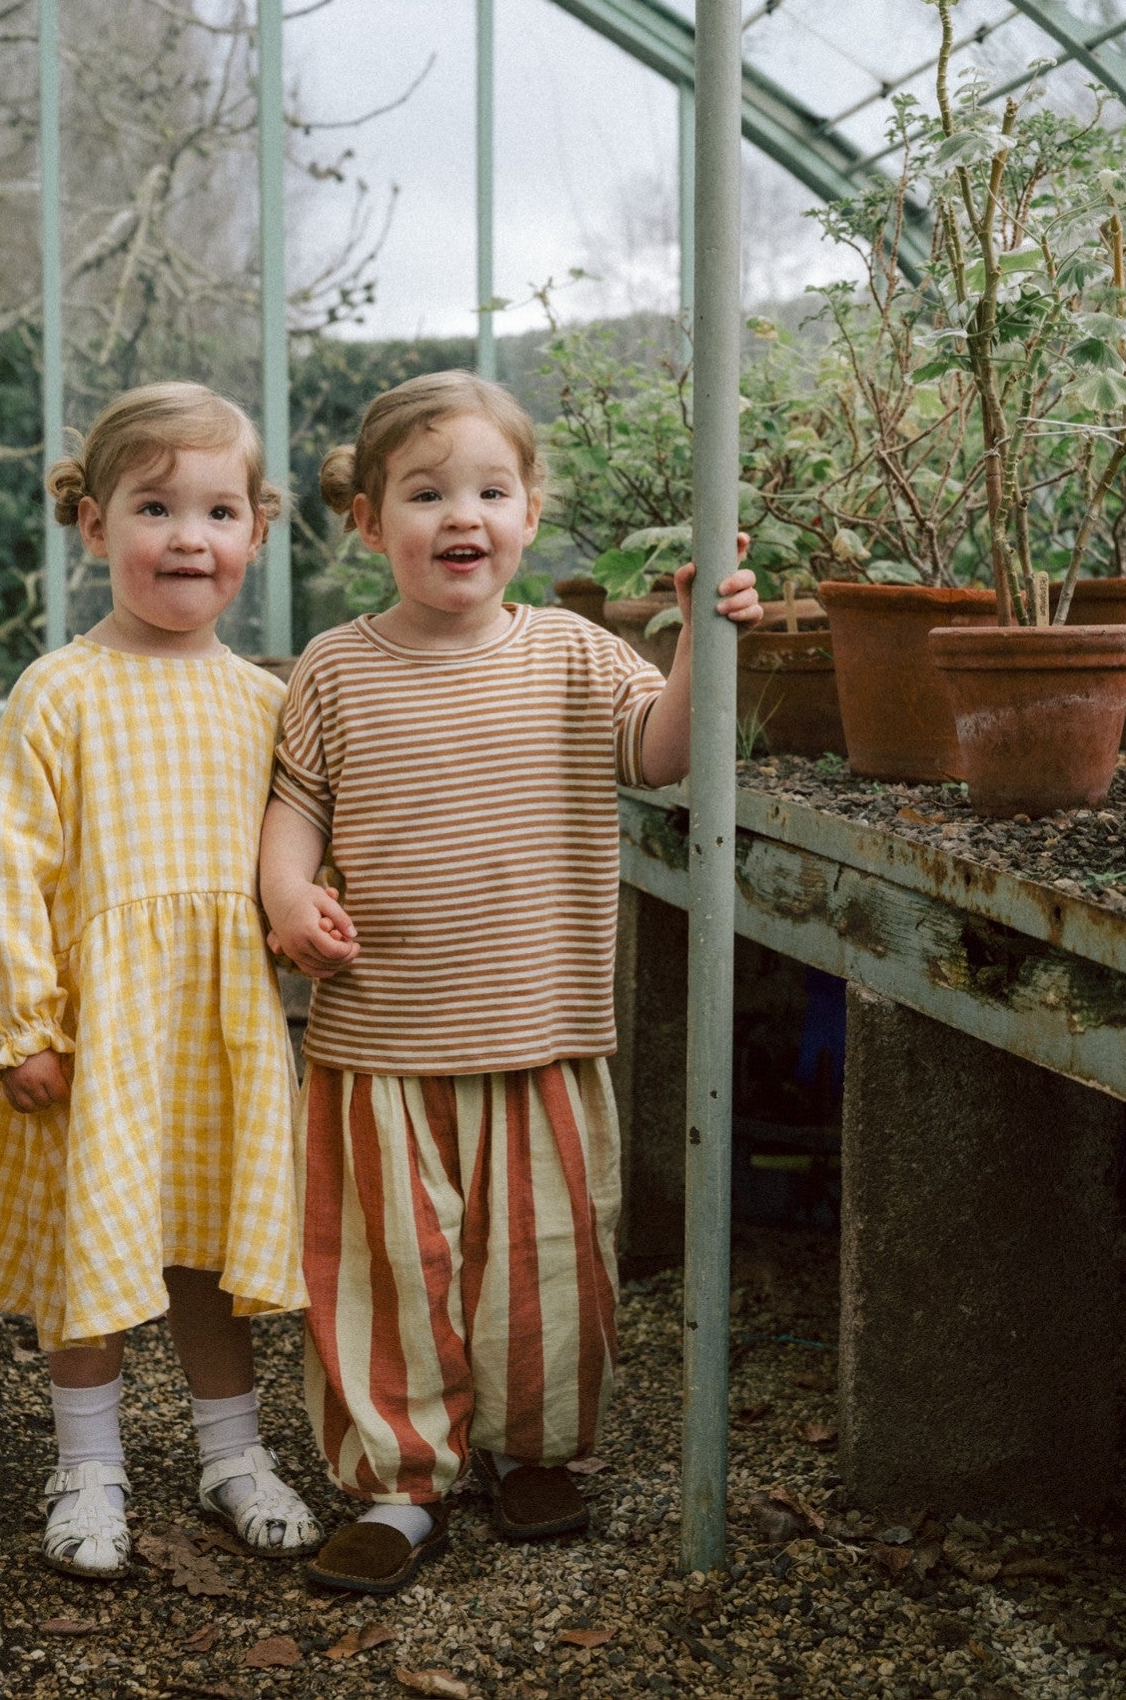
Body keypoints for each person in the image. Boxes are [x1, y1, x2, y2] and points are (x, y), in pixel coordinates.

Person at [260, 370, 761, 1595]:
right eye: (426, 494)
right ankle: (398, 1483)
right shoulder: (335, 668)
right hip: (381, 1038)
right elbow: (295, 804)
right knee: (385, 1271)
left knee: (543, 1259)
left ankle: (534, 1451)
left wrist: (704, 636)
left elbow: (661, 752)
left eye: (489, 489)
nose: (461, 516)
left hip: (538, 1028)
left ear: (531, 513)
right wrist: (285, 895)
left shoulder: (574, 655)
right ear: (372, 524)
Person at [0, 382, 321, 1580]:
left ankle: (231, 1453)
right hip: (98, 1035)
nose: (187, 536)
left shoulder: (266, 703)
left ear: (254, 532)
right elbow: (7, 872)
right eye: (153, 507)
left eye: (218, 510)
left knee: (205, 1252)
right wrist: (23, 1024)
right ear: (94, 527)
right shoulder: (61, 689)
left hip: (217, 1029)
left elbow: (296, 860)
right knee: (90, 1260)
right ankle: (89, 1468)